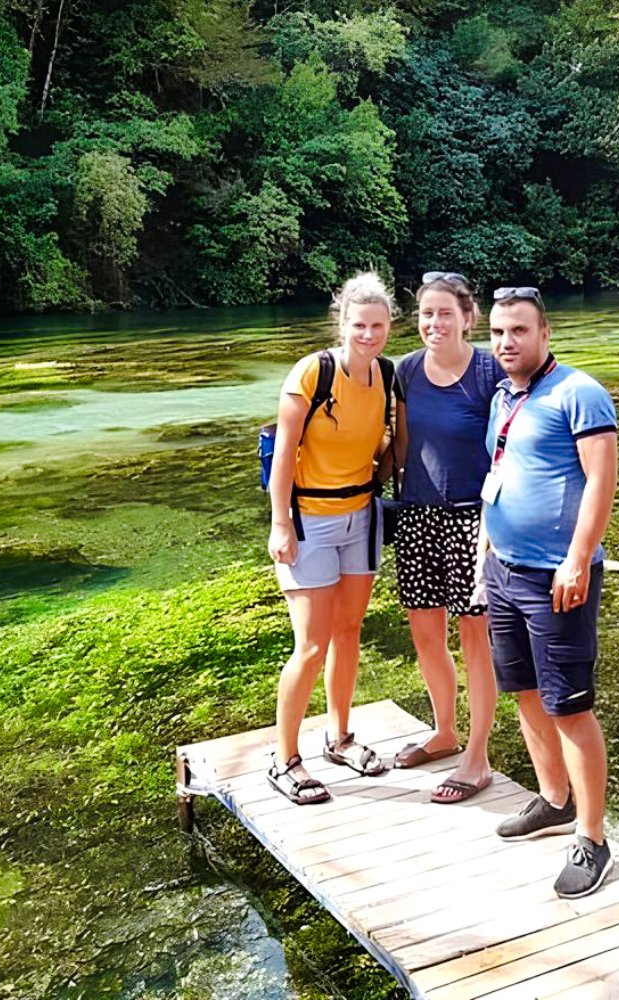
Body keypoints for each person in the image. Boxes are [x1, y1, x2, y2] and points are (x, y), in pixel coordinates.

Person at [479, 285, 619, 899]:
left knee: (569, 705)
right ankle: (554, 799)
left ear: (545, 334)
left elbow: (600, 480)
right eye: (498, 333)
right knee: (525, 692)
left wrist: (577, 560)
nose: (507, 343)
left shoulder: (580, 393)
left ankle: (592, 839)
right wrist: (486, 545)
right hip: (503, 569)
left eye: (518, 331)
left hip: (555, 576)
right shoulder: (503, 395)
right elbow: (502, 473)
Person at [265, 272, 398, 805]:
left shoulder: (386, 376)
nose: (368, 334)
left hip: (361, 517)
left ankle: (339, 738)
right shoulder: (312, 373)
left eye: (378, 325)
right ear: (342, 323)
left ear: (390, 327)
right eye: (358, 324)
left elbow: (384, 449)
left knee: (348, 632)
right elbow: (282, 454)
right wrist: (279, 523)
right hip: (309, 520)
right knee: (311, 644)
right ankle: (284, 759)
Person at [389, 271, 503, 803]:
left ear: (468, 317)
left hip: (473, 520)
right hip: (416, 516)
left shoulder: (488, 371)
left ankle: (477, 756)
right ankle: (444, 732)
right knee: (425, 634)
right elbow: (402, 448)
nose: (434, 323)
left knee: (476, 638)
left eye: (444, 314)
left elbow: (510, 445)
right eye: (426, 314)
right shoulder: (406, 371)